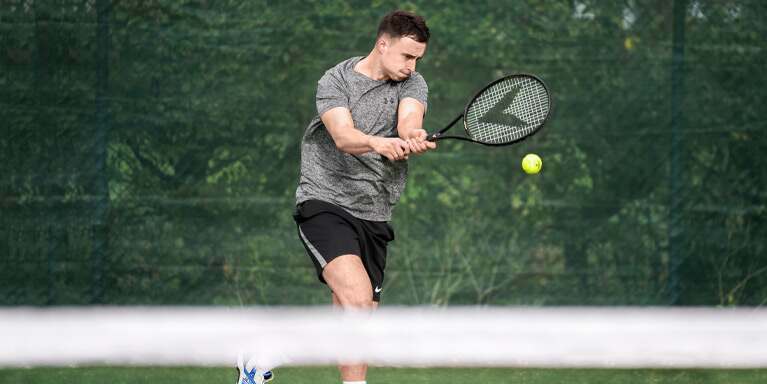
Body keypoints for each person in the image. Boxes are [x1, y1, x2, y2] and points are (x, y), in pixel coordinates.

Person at [293, 9, 435, 384]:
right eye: (406, 56)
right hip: (325, 200)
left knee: (357, 314)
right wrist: (379, 143)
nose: (411, 65)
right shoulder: (335, 80)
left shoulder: (413, 83)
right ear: (382, 43)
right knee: (356, 297)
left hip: (375, 211)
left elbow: (409, 120)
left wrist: (412, 135)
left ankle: (262, 354)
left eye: (417, 58)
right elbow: (343, 136)